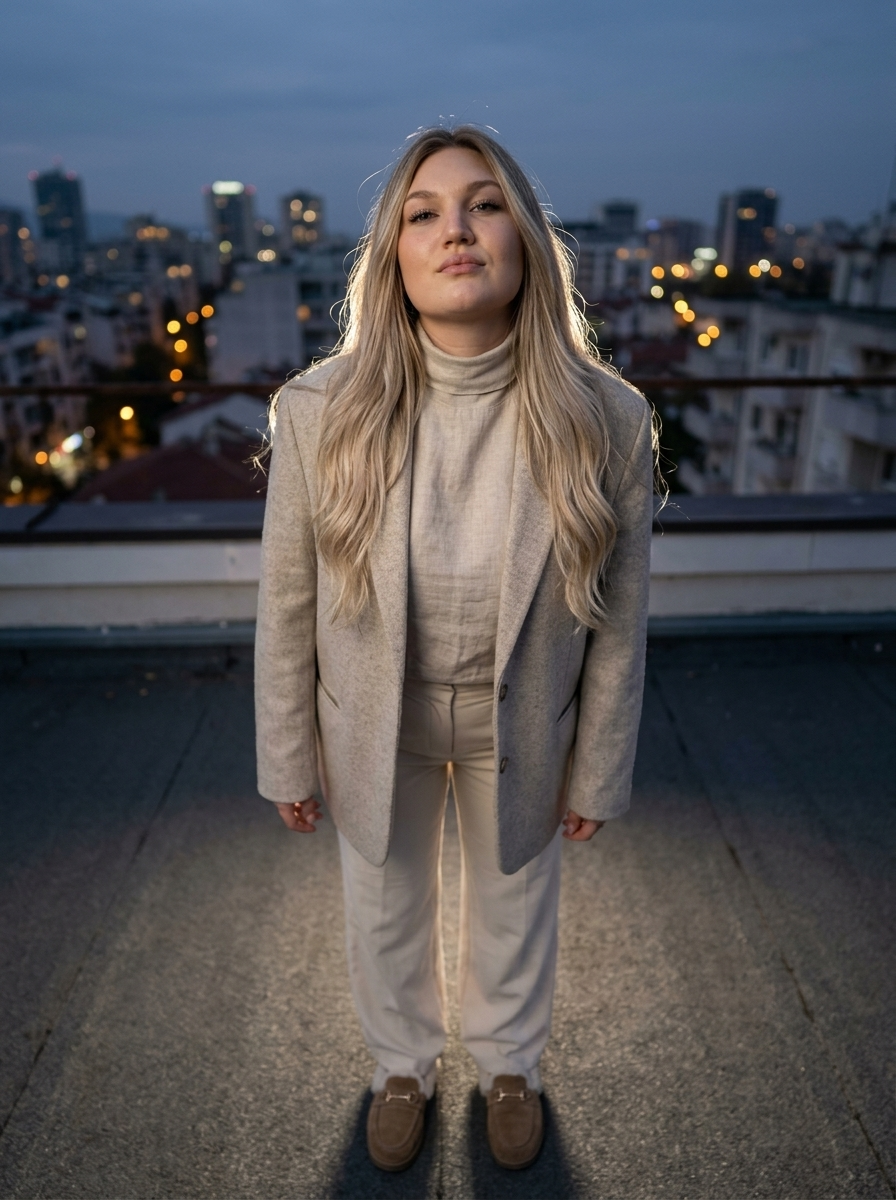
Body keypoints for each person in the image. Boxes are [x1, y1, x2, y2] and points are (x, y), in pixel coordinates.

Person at [255, 125, 656, 1172]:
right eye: (422, 212)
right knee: (381, 901)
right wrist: (287, 755)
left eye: (482, 204)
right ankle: (401, 1066)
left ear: (523, 237)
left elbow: (618, 623)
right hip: (370, 714)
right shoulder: (315, 412)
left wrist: (597, 770)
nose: (455, 230)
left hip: (519, 712)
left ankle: (509, 1064)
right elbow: (286, 603)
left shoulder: (605, 418)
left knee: (516, 897)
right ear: (391, 253)